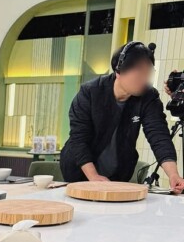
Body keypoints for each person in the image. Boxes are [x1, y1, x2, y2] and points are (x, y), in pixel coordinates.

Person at [60, 41, 184, 193]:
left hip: (118, 176)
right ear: (119, 71)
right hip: (80, 173)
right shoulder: (90, 92)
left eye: (148, 73)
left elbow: (159, 136)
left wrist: (173, 175)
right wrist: (93, 177)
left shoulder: (148, 97)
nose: (144, 80)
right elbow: (78, 138)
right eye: (139, 74)